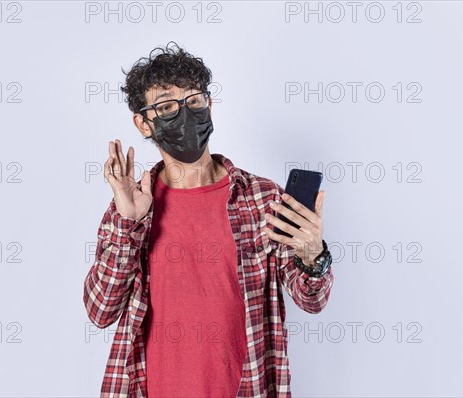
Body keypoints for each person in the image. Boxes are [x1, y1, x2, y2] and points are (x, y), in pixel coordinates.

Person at [83, 41, 334, 398]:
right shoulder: (131, 206)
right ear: (143, 122)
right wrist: (128, 225)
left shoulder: (263, 199)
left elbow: (312, 300)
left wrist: (312, 254)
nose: (185, 115)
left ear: (209, 106)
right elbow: (101, 310)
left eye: (195, 101)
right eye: (168, 106)